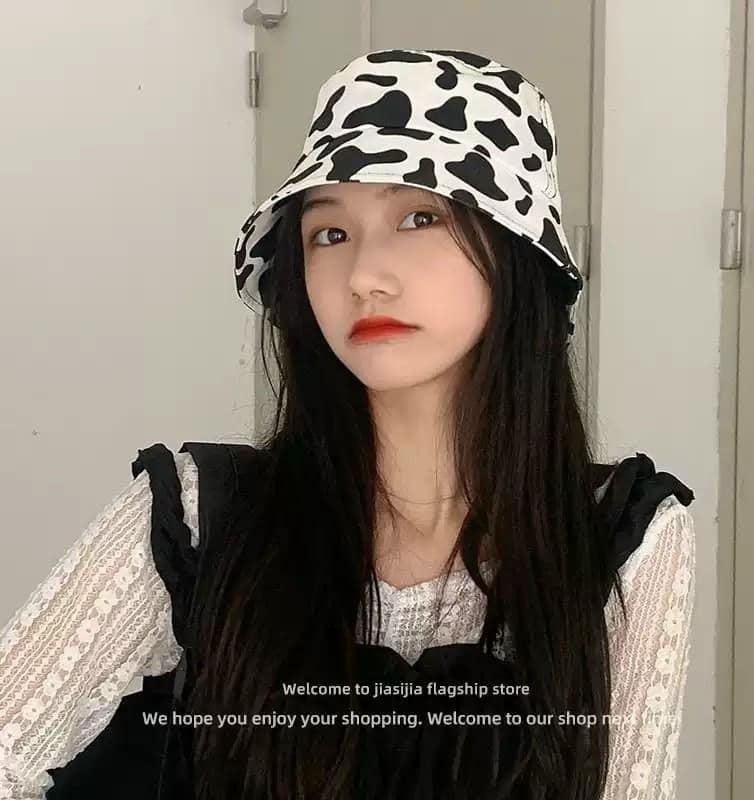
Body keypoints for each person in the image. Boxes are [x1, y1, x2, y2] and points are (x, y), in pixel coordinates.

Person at [0, 48, 697, 799]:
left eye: (420, 217)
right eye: (328, 234)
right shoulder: (199, 516)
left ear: (514, 252)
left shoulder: (620, 539)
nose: (364, 275)